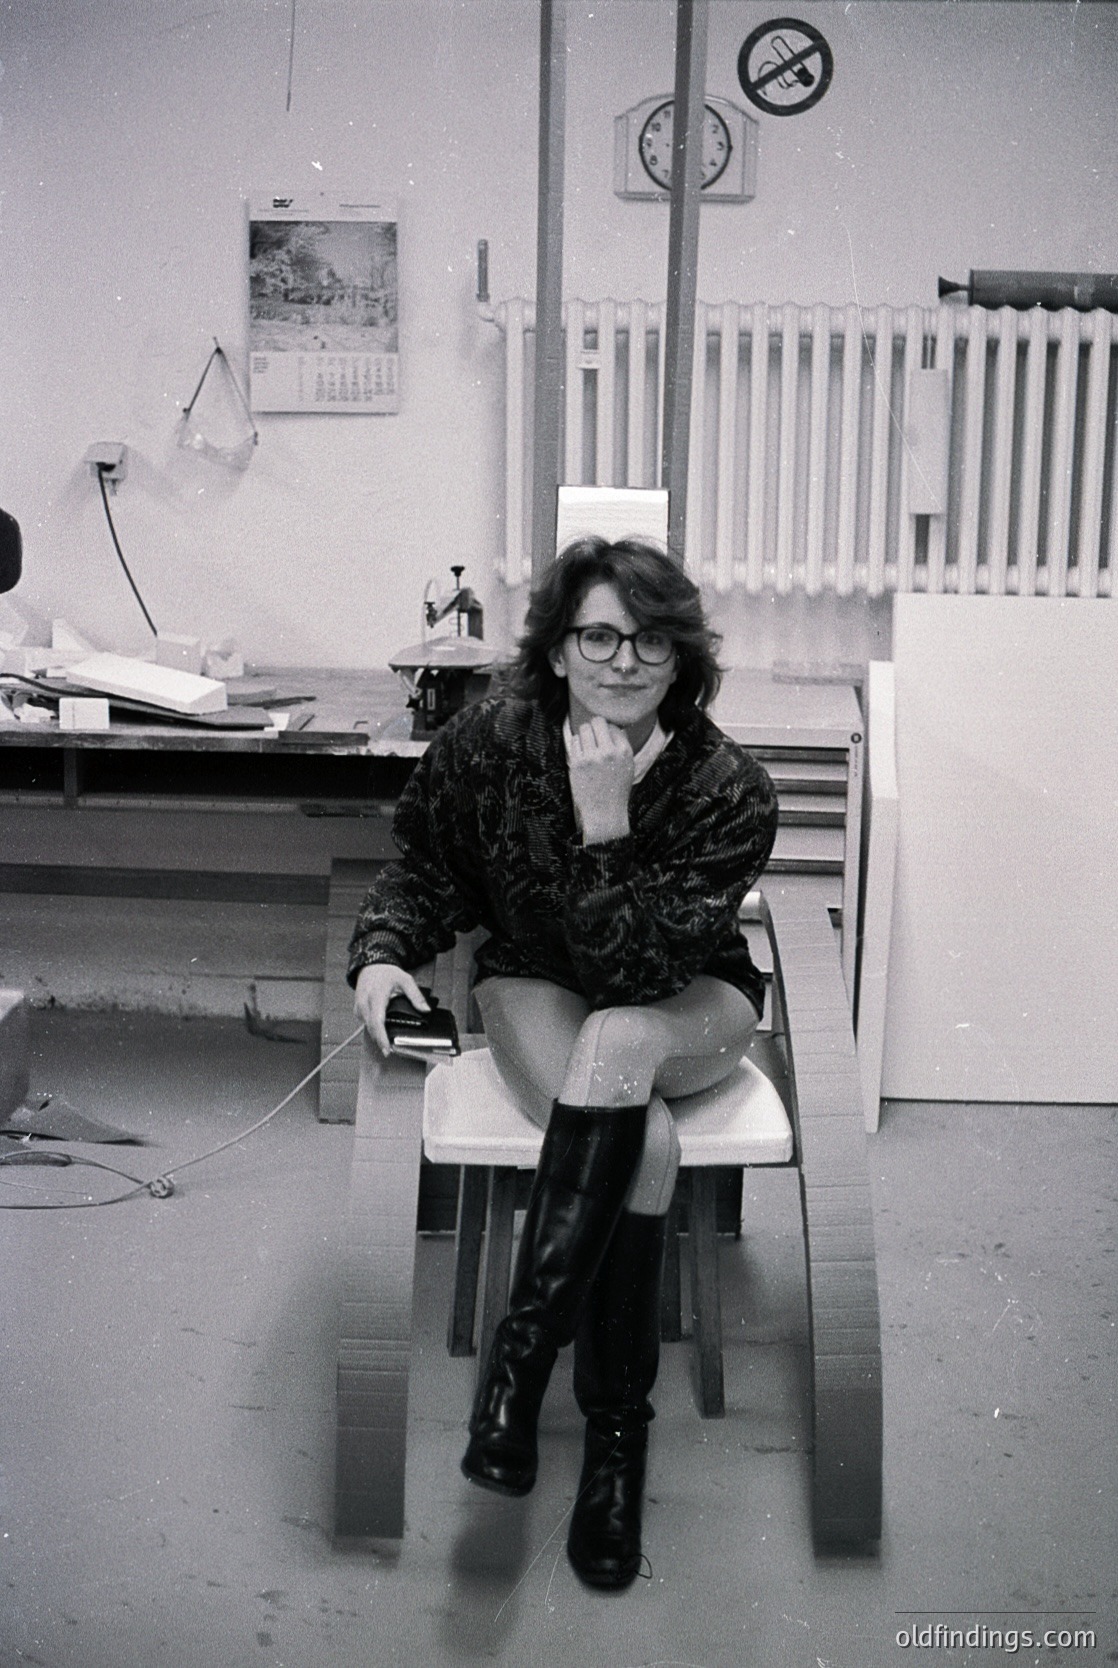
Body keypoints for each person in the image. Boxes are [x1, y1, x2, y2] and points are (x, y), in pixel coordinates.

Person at [349, 536, 778, 1590]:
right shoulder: (492, 740)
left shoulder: (728, 787)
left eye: (649, 640)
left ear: (681, 658)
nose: (622, 660)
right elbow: (425, 863)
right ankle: (615, 1447)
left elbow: (637, 975)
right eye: (597, 634)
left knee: (621, 1036)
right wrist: (381, 959)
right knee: (644, 1141)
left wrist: (603, 824)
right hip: (536, 981)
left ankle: (517, 1373)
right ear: (555, 650)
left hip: (684, 999)